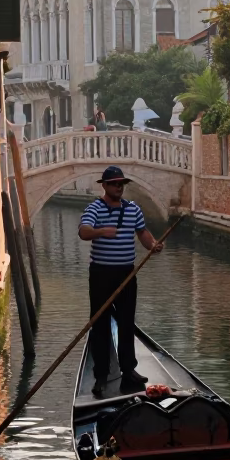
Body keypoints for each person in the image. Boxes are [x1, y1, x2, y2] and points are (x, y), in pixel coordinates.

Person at [78, 166, 163, 397]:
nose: (118, 187)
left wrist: (153, 245)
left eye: (121, 183)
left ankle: (128, 370)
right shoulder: (95, 208)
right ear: (104, 185)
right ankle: (101, 375)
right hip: (101, 274)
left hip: (126, 273)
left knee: (127, 323)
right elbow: (84, 232)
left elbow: (143, 233)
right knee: (100, 324)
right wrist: (102, 231)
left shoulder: (133, 209)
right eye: (114, 183)